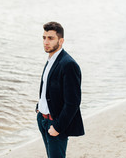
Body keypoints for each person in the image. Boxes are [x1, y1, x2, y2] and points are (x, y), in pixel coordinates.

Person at [36, 21, 84, 158]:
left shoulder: (68, 64)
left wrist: (58, 127)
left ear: (61, 41)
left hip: (55, 123)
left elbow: (73, 102)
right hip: (43, 120)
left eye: (51, 38)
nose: (46, 42)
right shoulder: (51, 59)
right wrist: (39, 107)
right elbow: (47, 89)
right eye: (44, 38)